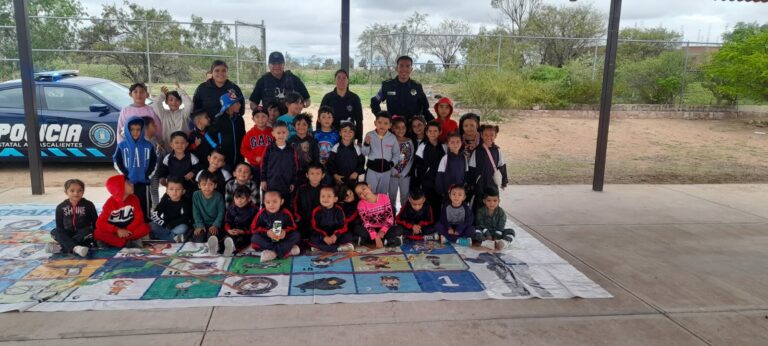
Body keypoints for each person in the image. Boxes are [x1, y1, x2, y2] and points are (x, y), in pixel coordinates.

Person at [113, 117, 157, 222]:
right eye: (132, 129)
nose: (135, 132)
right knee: (129, 204)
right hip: (128, 183)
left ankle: (145, 223)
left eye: (138, 129)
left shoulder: (148, 145)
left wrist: (147, 175)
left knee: (145, 203)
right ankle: (130, 223)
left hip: (144, 182)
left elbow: (154, 162)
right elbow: (117, 161)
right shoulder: (122, 146)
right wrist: (126, 175)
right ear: (127, 130)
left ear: (142, 130)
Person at [370, 55, 434, 125]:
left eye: (408, 66)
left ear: (411, 69)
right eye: (401, 66)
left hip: (412, 128)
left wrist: (434, 123)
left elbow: (424, 108)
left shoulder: (417, 87)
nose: (404, 69)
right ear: (396, 68)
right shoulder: (387, 86)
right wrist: (382, 118)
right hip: (394, 127)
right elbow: (374, 102)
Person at [94, 175, 150, 249]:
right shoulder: (110, 203)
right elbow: (99, 223)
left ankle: (119, 242)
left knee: (145, 227)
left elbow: (139, 218)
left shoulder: (134, 198)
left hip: (129, 230)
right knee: (97, 233)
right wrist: (117, 230)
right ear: (120, 188)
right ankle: (125, 243)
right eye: (128, 183)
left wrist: (126, 231)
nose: (132, 183)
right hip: (115, 231)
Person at [250, 190, 301, 262]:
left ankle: (273, 253)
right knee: (255, 238)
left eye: (274, 202)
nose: (271, 205)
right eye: (268, 202)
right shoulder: (261, 213)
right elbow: (253, 229)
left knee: (296, 235)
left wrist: (285, 232)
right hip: (268, 240)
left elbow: (293, 227)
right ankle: (285, 251)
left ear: (281, 202)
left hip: (282, 239)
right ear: (264, 202)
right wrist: (267, 232)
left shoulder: (286, 213)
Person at [52, 179, 97, 257]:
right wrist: (61, 235)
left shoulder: (89, 205)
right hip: (68, 233)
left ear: (83, 191)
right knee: (55, 231)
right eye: (72, 191)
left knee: (89, 230)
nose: (76, 193)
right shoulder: (60, 207)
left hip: (83, 234)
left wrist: (96, 238)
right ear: (66, 192)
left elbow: (95, 222)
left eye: (80, 190)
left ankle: (62, 247)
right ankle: (76, 248)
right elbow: (59, 226)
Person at [469, 125, 508, 210]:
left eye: (491, 135)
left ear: (495, 136)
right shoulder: (477, 151)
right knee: (479, 201)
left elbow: (502, 166)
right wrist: (471, 183)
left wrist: (504, 181)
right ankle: (478, 217)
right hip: (480, 182)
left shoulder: (498, 151)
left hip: (493, 182)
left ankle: (491, 217)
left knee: (492, 202)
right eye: (486, 135)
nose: (488, 137)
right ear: (481, 135)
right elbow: (472, 168)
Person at [260, 121, 298, 208]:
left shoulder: (291, 149)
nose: (281, 135)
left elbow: (295, 166)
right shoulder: (269, 148)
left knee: (286, 205)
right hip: (271, 184)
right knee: (271, 205)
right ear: (273, 134)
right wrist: (263, 179)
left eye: (284, 132)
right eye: (278, 133)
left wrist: (293, 182)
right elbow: (263, 164)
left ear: (287, 133)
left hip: (286, 184)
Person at [413, 121, 446, 218]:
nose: (432, 133)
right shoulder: (422, 146)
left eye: (435, 131)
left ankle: (437, 221)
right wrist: (423, 175)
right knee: (427, 202)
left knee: (438, 202)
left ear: (440, 132)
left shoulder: (444, 146)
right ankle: (427, 221)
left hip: (440, 180)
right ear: (426, 132)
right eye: (430, 131)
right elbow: (418, 164)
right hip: (426, 181)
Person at [320, 69, 363, 142]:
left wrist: (359, 139)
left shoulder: (354, 98)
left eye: (344, 78)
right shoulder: (327, 97)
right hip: (330, 136)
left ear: (348, 81)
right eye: (338, 77)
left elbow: (359, 120)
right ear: (335, 80)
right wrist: (319, 136)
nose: (341, 80)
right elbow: (320, 118)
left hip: (348, 136)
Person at [354, 182, 402, 248]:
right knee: (357, 229)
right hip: (370, 229)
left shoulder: (384, 197)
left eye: (364, 189)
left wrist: (383, 231)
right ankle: (386, 241)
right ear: (359, 197)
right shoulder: (361, 204)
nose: (363, 193)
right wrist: (375, 236)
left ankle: (368, 241)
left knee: (399, 229)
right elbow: (366, 223)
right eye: (360, 193)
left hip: (384, 228)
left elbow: (390, 219)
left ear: (369, 187)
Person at [362, 112, 400, 195]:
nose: (382, 125)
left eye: (385, 123)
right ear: (375, 123)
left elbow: (396, 154)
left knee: (383, 193)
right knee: (370, 192)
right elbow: (365, 153)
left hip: (386, 171)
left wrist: (391, 164)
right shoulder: (369, 135)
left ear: (390, 125)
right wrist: (366, 144)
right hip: (372, 170)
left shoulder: (392, 138)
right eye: (379, 122)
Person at [309, 186, 356, 253]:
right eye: (323, 196)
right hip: (322, 235)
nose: (325, 199)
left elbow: (343, 226)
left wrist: (335, 236)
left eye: (329, 196)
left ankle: (322, 248)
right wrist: (324, 237)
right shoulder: (316, 211)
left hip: (335, 235)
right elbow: (314, 227)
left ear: (335, 199)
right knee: (313, 238)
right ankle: (337, 248)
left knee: (348, 236)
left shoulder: (339, 210)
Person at [156, 131, 200, 197]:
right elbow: (162, 171)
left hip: (188, 189)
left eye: (182, 143)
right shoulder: (167, 158)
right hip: (173, 190)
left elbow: (199, 168)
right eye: (176, 143)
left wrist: (193, 172)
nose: (179, 145)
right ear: (171, 144)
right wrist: (162, 179)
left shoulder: (192, 157)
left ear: (187, 144)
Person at [192, 171, 225, 255]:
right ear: (199, 185)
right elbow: (196, 211)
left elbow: (221, 212)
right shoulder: (196, 195)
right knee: (199, 239)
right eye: (204, 184)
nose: (207, 187)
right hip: (202, 223)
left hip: (214, 224)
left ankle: (216, 247)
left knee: (212, 236)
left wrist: (216, 225)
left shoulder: (218, 196)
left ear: (215, 185)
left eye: (210, 184)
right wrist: (199, 225)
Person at [150, 82, 192, 151]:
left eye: (177, 100)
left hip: (183, 149)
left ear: (181, 102)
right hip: (167, 148)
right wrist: (162, 95)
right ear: (166, 102)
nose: (174, 102)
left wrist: (180, 91)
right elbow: (156, 105)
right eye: (171, 100)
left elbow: (189, 103)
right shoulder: (164, 114)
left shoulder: (184, 113)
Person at [240, 105, 274, 188]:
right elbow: (244, 149)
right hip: (255, 166)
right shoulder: (249, 134)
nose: (260, 119)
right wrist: (254, 157)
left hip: (270, 165)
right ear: (253, 119)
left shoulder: (273, 132)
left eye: (263, 116)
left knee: (270, 186)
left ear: (268, 118)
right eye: (257, 117)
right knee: (256, 187)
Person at [150, 177, 192, 243]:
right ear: (167, 191)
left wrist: (172, 224)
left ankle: (161, 236)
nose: (174, 192)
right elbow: (155, 213)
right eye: (171, 189)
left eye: (178, 189)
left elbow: (186, 217)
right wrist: (164, 224)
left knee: (183, 228)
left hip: (177, 225)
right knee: (152, 225)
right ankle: (173, 237)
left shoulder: (185, 201)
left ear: (183, 191)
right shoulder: (165, 198)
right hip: (165, 224)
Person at [213, 90, 246, 171]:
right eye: (237, 103)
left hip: (239, 157)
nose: (240, 104)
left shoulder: (239, 119)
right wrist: (217, 147)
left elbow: (243, 134)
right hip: (225, 159)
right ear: (229, 106)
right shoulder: (219, 119)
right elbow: (209, 135)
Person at [327, 122, 365, 188]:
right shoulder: (335, 147)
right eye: (345, 131)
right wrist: (335, 175)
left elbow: (361, 163)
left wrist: (356, 172)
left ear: (354, 134)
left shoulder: (357, 148)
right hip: (339, 179)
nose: (348, 133)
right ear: (340, 133)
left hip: (352, 180)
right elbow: (330, 164)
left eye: (350, 131)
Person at [223, 186, 258, 257]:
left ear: (249, 199)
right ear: (233, 198)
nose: (239, 201)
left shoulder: (254, 209)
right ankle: (220, 247)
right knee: (227, 237)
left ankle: (235, 249)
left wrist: (243, 231)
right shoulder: (231, 208)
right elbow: (227, 221)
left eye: (242, 198)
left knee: (241, 240)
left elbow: (256, 226)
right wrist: (229, 230)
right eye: (237, 198)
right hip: (234, 230)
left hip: (246, 232)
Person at [389, 116, 415, 210]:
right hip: (392, 175)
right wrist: (393, 171)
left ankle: (404, 214)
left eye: (403, 127)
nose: (401, 130)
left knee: (405, 196)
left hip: (405, 175)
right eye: (397, 127)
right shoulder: (390, 141)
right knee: (391, 196)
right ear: (392, 128)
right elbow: (388, 157)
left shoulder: (409, 141)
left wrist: (403, 173)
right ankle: (392, 214)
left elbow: (411, 158)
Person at [293, 163, 324, 239]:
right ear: (307, 175)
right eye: (312, 173)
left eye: (318, 174)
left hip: (320, 222)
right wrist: (299, 217)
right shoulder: (301, 189)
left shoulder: (325, 189)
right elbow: (295, 204)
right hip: (304, 221)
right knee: (298, 235)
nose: (315, 176)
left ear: (322, 175)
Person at [289, 113, 319, 187]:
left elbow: (316, 158)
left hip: (309, 173)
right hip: (293, 173)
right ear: (294, 126)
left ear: (308, 127)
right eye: (298, 124)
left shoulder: (313, 141)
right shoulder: (290, 141)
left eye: (304, 124)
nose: (301, 127)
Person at [436, 132, 468, 201]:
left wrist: (465, 188)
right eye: (452, 142)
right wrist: (441, 192)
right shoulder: (445, 158)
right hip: (448, 193)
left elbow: (466, 174)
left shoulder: (464, 158)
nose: (455, 144)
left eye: (458, 142)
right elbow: (439, 176)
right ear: (448, 144)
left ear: (461, 143)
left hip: (460, 193)